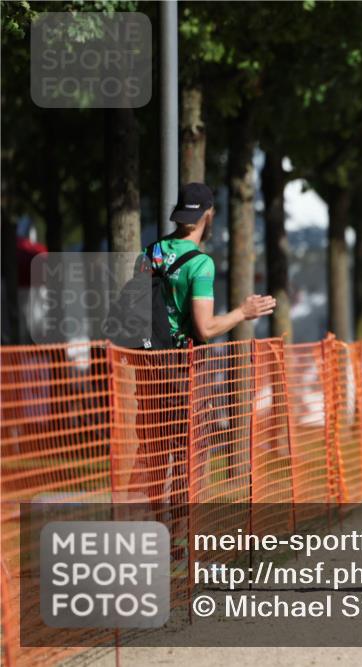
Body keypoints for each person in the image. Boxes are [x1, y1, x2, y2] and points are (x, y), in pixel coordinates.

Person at [129, 183, 276, 538]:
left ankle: (150, 536)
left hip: (148, 369)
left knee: (153, 454)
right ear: (207, 215)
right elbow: (205, 327)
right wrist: (243, 312)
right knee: (188, 459)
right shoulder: (201, 264)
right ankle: (181, 542)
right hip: (183, 372)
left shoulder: (148, 253)